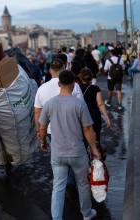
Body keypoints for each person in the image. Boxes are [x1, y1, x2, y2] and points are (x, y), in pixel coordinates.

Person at [38, 70, 101, 220]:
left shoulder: (49, 104)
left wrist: (43, 141)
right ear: (74, 85)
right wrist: (94, 149)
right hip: (77, 153)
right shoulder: (79, 104)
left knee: (58, 187)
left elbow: (42, 127)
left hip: (58, 153)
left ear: (59, 84)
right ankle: (86, 213)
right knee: (83, 184)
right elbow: (88, 129)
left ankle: (57, 217)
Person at [34, 58, 84, 140]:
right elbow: (81, 108)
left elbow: (37, 112)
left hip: (51, 130)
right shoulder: (74, 85)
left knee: (55, 151)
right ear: (64, 69)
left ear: (50, 71)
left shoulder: (41, 89)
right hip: (72, 128)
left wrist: (39, 130)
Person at [79, 68, 111, 144]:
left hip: (82, 115)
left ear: (80, 77)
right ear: (91, 77)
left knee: (83, 138)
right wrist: (107, 118)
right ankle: (95, 153)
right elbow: (100, 104)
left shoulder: (77, 88)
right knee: (96, 138)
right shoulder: (95, 88)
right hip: (94, 115)